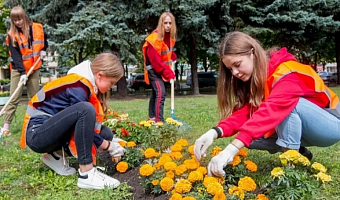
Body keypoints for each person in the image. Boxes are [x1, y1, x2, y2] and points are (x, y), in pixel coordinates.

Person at [194, 31, 340, 177]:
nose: (235, 73)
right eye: (230, 69)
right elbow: (248, 112)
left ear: (252, 53)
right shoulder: (260, 77)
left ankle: (291, 172)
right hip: (308, 125)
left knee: (288, 107)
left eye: (237, 65)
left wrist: (231, 150)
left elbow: (273, 108)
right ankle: (301, 154)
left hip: (331, 124)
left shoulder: (286, 70)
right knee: (251, 138)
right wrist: (214, 132)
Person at [20, 53, 126, 190]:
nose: (112, 87)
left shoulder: (84, 85)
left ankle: (56, 156)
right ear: (100, 75)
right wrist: (108, 146)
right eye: (112, 83)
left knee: (104, 132)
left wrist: (109, 141)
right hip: (37, 135)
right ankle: (87, 174)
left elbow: (85, 128)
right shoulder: (78, 86)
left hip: (48, 131)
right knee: (85, 109)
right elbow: (83, 115)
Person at [1, 6, 48, 136]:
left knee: (34, 97)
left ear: (24, 17)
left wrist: (44, 50)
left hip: (34, 67)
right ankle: (6, 127)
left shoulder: (37, 28)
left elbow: (45, 39)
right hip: (18, 69)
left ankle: (36, 124)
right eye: (15, 20)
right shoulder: (11, 35)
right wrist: (22, 73)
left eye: (19, 19)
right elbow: (15, 56)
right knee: (13, 97)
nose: (18, 22)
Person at [142, 12, 177, 122]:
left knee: (155, 93)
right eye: (165, 23)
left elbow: (166, 53)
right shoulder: (154, 38)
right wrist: (168, 73)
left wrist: (173, 57)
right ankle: (158, 121)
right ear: (161, 23)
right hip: (153, 70)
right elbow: (156, 62)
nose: (167, 25)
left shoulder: (169, 38)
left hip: (160, 70)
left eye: (170, 23)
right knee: (160, 93)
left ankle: (151, 118)